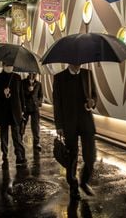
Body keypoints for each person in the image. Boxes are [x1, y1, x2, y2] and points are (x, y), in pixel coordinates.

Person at [53, 64, 97, 200]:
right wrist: (59, 125)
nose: (79, 64)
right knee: (71, 157)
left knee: (90, 156)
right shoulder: (59, 78)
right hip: (69, 123)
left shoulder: (87, 74)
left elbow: (94, 95)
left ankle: (84, 181)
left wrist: (92, 102)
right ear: (69, 61)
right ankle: (73, 185)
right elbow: (57, 103)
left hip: (86, 121)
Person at [0, 63, 27, 165]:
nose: (9, 66)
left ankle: (19, 154)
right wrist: (2, 93)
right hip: (3, 110)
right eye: (7, 65)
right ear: (3, 65)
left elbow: (21, 94)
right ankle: (4, 153)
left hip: (16, 110)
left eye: (11, 65)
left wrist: (23, 108)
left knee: (17, 134)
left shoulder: (17, 77)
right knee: (3, 133)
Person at [21, 73, 43, 151]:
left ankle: (36, 142)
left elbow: (40, 95)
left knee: (36, 126)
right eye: (32, 73)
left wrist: (38, 102)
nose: (33, 75)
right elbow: (21, 94)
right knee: (23, 124)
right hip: (25, 107)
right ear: (28, 73)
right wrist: (29, 91)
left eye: (35, 74)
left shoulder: (38, 84)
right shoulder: (23, 82)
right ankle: (20, 139)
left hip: (35, 107)